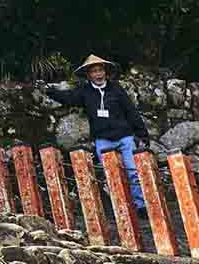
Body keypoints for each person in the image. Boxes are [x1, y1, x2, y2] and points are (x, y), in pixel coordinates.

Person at [46, 54, 149, 212]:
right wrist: (50, 92)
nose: (98, 74)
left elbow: (131, 111)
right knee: (110, 175)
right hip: (103, 139)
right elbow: (69, 97)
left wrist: (142, 134)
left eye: (100, 70)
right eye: (94, 71)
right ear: (89, 75)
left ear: (105, 72)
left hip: (125, 136)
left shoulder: (116, 89)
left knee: (132, 171)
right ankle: (120, 206)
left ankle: (140, 205)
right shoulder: (85, 91)